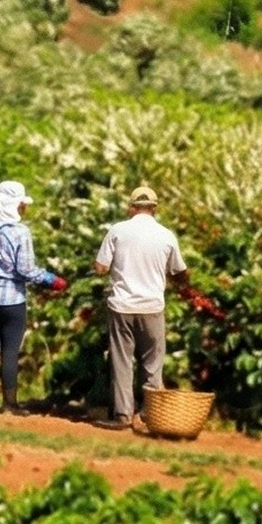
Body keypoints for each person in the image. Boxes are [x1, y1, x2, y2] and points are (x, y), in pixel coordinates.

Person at [0, 179, 65, 415]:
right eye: (21, 204)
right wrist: (53, 281)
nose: (23, 209)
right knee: (9, 352)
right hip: (13, 300)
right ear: (11, 205)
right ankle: (10, 405)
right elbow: (26, 270)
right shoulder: (20, 233)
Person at [94, 183, 191, 428]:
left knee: (122, 361)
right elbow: (181, 272)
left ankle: (123, 416)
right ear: (154, 209)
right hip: (152, 306)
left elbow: (100, 268)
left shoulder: (117, 230)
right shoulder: (166, 235)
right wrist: (176, 280)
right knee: (152, 363)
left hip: (122, 306)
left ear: (131, 208)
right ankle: (150, 414)